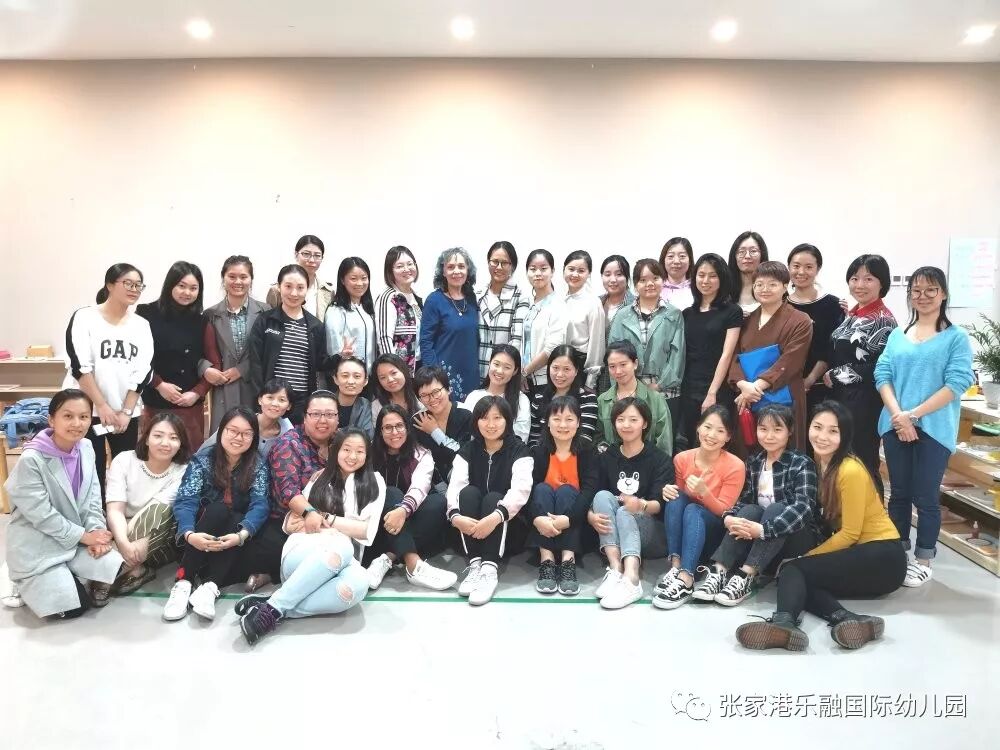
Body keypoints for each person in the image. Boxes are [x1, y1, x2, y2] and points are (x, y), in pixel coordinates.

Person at [736, 402, 906, 652]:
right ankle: (848, 620)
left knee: (795, 569)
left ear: (845, 435)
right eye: (817, 427)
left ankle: (784, 623)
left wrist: (806, 557)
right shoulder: (820, 463)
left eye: (833, 431)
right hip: (862, 554)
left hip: (883, 556)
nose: (822, 436)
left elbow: (851, 533)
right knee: (801, 580)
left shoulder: (850, 470)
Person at [875, 266, 974, 587]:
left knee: (926, 496)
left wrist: (913, 416)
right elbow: (882, 374)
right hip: (895, 425)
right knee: (899, 494)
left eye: (931, 290)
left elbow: (957, 383)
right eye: (916, 290)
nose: (923, 296)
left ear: (943, 294)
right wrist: (899, 416)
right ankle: (898, 555)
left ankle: (923, 560)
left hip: (934, 428)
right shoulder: (897, 336)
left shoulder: (955, 338)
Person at [236, 428, 383, 645]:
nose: (352, 456)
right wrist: (333, 528)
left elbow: (366, 531)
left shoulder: (375, 482)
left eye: (360, 451)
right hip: (302, 558)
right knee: (342, 544)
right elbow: (291, 523)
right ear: (336, 450)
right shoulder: (320, 478)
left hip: (346, 564)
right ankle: (273, 609)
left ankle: (273, 606)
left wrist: (324, 518)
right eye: (346, 449)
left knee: (358, 585)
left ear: (367, 455)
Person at [4, 389, 125, 619]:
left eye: (84, 416)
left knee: (116, 565)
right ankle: (22, 582)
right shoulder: (32, 459)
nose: (77, 423)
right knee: (75, 607)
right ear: (51, 420)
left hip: (75, 539)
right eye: (68, 416)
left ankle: (67, 574)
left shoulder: (86, 447)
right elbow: (42, 515)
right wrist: (85, 537)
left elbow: (93, 497)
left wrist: (97, 532)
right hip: (39, 541)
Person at [691, 404, 819, 607]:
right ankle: (719, 572)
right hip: (759, 542)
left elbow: (804, 509)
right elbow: (745, 500)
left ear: (789, 431)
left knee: (776, 509)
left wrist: (763, 530)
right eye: (763, 429)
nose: (769, 436)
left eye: (777, 429)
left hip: (795, 539)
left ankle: (746, 575)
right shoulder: (754, 462)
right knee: (750, 510)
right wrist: (729, 517)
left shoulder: (801, 463)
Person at [163, 406, 272, 621]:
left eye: (246, 433)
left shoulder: (257, 463)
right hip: (200, 530)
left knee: (238, 517)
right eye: (233, 431)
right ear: (221, 430)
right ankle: (184, 580)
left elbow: (260, 504)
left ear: (254, 437)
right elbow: (186, 500)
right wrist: (189, 534)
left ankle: (210, 586)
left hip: (234, 536)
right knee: (219, 509)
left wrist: (241, 535)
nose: (238, 438)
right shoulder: (203, 459)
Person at [64, 263, 154, 495]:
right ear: (110, 285)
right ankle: (94, 514)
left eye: (139, 285)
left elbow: (143, 371)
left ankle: (117, 513)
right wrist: (101, 406)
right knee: (89, 470)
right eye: (128, 283)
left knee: (124, 470)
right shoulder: (85, 317)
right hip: (87, 411)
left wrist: (126, 411)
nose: (134, 289)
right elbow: (80, 366)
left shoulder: (141, 325)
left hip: (124, 413)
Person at [652, 406, 745, 610]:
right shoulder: (682, 459)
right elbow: (677, 498)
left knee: (694, 509)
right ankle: (676, 567)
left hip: (714, 532)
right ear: (698, 427)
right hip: (687, 533)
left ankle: (686, 579)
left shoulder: (735, 466)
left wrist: (705, 493)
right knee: (676, 497)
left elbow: (724, 511)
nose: (711, 435)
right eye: (707, 427)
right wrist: (666, 491)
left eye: (720, 431)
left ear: (728, 436)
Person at [447, 396, 533, 605]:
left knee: (494, 498)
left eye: (497, 418)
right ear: (476, 421)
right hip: (472, 531)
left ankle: (489, 569)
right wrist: (455, 516)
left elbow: (521, 490)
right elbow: (455, 487)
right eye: (484, 418)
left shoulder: (519, 450)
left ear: (507, 420)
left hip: (508, 529)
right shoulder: (468, 450)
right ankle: (475, 564)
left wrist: (495, 517)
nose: (491, 424)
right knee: (468, 493)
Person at [588, 397, 672, 609]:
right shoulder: (607, 456)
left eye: (633, 419)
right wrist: (590, 517)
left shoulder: (659, 459)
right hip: (616, 531)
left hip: (650, 531)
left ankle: (632, 578)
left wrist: (640, 505)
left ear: (645, 423)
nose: (626, 425)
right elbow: (593, 495)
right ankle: (616, 568)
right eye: (621, 419)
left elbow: (659, 505)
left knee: (625, 512)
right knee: (602, 496)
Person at [363, 405, 458, 591]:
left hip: (409, 520)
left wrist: (402, 510)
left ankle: (387, 558)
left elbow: (419, 488)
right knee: (391, 493)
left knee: (439, 502)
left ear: (407, 428)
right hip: (377, 523)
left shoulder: (421, 454)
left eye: (399, 426)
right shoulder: (368, 453)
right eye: (388, 427)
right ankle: (413, 564)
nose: (394, 432)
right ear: (380, 431)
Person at [824, 254, 897, 485]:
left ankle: (871, 507)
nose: (860, 285)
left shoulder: (884, 320)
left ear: (882, 283)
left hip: (864, 401)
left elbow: (880, 366)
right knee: (842, 462)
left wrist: (835, 375)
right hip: (842, 398)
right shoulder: (855, 313)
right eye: (854, 278)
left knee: (862, 461)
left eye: (868, 279)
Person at [260, 390, 341, 591]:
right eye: (316, 414)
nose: (323, 420)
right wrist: (310, 513)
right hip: (291, 522)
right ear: (304, 417)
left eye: (330, 414)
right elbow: (289, 492)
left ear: (338, 418)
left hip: (333, 515)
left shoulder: (342, 440)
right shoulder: (289, 444)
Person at [729, 261, 813, 450]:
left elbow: (791, 361)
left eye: (772, 284)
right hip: (748, 396)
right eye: (759, 284)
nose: (764, 289)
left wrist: (755, 387)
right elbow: (735, 356)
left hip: (783, 395)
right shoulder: (747, 320)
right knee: (749, 449)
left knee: (783, 450)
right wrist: (742, 385)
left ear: (785, 286)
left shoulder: (800, 320)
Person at [105, 413, 190, 596]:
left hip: (159, 537)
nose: (165, 443)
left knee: (160, 510)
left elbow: (155, 513)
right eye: (158, 435)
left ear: (181, 443)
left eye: (173, 438)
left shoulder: (183, 471)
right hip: (119, 530)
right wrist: (123, 543)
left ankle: (108, 575)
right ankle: (134, 569)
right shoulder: (124, 460)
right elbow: (115, 510)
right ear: (146, 438)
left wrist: (123, 548)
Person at [528, 396, 598, 595]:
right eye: (557, 419)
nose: (563, 425)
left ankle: (568, 561)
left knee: (567, 491)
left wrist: (568, 520)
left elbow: (589, 491)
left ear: (578, 422)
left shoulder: (587, 451)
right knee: (541, 489)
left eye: (569, 419)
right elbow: (527, 492)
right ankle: (547, 560)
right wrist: (537, 519)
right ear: (548, 422)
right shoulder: (538, 452)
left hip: (575, 523)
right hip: (543, 524)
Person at [136, 261, 209, 450]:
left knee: (190, 457)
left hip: (190, 404)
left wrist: (197, 392)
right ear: (170, 285)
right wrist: (159, 384)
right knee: (156, 454)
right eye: (181, 286)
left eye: (193, 288)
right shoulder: (146, 313)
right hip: (156, 401)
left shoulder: (202, 320)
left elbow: (213, 362)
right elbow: (138, 360)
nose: (187, 292)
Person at [608, 258, 685, 432]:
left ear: (663, 280)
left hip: (665, 392)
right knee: (630, 439)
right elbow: (614, 356)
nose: (649, 284)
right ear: (635, 285)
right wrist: (623, 387)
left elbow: (677, 355)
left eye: (655, 278)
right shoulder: (622, 315)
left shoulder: (674, 314)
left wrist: (659, 385)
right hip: (629, 391)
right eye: (643, 280)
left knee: (662, 440)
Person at [249, 264, 329, 424]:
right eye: (288, 286)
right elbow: (255, 362)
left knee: (297, 439)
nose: (294, 293)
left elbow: (321, 362)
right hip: (272, 399)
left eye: (300, 287)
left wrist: (342, 357)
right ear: (279, 287)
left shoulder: (315, 325)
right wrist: (261, 397)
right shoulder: (266, 320)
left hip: (301, 401)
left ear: (307, 289)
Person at [678, 253, 742, 452]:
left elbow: (727, 355)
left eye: (713, 276)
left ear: (722, 279)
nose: (705, 281)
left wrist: (712, 392)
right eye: (701, 275)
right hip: (689, 386)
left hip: (717, 387)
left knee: (714, 439)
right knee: (690, 439)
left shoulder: (732, 311)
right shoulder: (687, 313)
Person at [201, 255, 270, 434]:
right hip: (223, 387)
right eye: (232, 276)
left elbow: (269, 351)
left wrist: (242, 369)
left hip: (254, 385)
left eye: (243, 277)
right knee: (223, 437)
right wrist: (206, 369)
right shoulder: (210, 314)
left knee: (253, 435)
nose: (238, 281)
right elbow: (198, 351)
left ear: (251, 279)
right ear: (223, 279)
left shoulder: (266, 311)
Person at [787, 244, 846, 411]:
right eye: (796, 266)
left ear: (818, 269)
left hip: (820, 387)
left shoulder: (833, 304)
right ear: (789, 267)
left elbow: (830, 349)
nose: (801, 272)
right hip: (783, 386)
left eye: (808, 267)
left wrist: (810, 380)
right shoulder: (780, 303)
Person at [419, 247, 480, 402]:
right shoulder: (434, 300)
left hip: (471, 372)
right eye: (451, 267)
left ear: (468, 270)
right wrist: (434, 377)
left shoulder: (472, 299)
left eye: (461, 266)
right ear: (443, 272)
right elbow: (426, 342)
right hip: (444, 375)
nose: (456, 271)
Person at [597, 340, 673, 455]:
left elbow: (664, 443)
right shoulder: (603, 400)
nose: (618, 371)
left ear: (635, 363)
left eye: (623, 364)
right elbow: (599, 438)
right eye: (612, 366)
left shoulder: (656, 399)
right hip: (613, 462)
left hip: (649, 463)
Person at [201, 378, 294, 460]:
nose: (275, 404)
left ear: (289, 406)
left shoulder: (288, 430)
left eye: (282, 400)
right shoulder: (240, 421)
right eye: (270, 397)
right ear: (260, 400)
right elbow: (205, 450)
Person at [411, 366, 473, 489]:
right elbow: (419, 460)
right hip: (431, 485)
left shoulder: (466, 414)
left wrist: (435, 431)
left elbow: (462, 454)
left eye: (436, 392)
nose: (432, 399)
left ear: (448, 389)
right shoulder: (417, 420)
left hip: (465, 481)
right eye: (424, 395)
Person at [528, 345, 599, 447]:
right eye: (555, 368)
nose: (560, 374)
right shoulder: (539, 398)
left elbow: (585, 439)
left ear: (576, 371)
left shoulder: (588, 399)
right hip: (542, 455)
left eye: (566, 369)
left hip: (576, 455)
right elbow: (533, 439)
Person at [476, 241, 529, 380]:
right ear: (488, 262)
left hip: (502, 374)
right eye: (494, 262)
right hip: (476, 370)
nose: (499, 267)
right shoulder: (478, 295)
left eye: (505, 263)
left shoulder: (520, 297)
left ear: (513, 266)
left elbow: (517, 341)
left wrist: (505, 372)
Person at [462, 344, 531, 443]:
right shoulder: (474, 396)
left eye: (507, 367)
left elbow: (521, 438)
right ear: (489, 363)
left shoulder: (521, 400)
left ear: (515, 371)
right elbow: (466, 434)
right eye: (496, 364)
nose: (500, 371)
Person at [520, 249, 567, 392]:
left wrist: (525, 372)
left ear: (552, 271)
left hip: (545, 380)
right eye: (532, 269)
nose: (538, 273)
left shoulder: (558, 305)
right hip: (523, 380)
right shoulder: (526, 302)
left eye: (543, 268)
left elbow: (552, 348)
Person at [374, 246, 424, 373]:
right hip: (399, 371)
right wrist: (392, 371)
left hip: (418, 367)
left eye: (410, 264)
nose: (406, 269)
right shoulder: (389, 298)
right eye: (400, 266)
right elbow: (384, 338)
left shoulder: (416, 298)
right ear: (390, 271)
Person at [562, 251, 607, 388]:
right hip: (559, 364)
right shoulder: (559, 300)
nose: (575, 274)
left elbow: (597, 344)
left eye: (581, 271)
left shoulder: (593, 303)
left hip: (580, 367)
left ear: (589, 274)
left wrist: (590, 381)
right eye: (571, 269)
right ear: (564, 270)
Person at [325, 257, 377, 375]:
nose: (360, 283)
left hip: (369, 377)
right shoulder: (336, 310)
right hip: (347, 376)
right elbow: (333, 350)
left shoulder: (368, 309)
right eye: (353, 279)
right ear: (342, 280)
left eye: (364, 278)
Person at [266, 234, 334, 321]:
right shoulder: (277, 290)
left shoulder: (328, 291)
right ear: (296, 254)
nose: (312, 260)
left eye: (317, 255)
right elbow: (269, 321)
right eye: (306, 254)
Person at [597, 254, 635, 394]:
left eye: (619, 274)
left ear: (627, 277)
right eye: (607, 274)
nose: (613, 279)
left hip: (623, 373)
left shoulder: (635, 305)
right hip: (597, 374)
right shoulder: (596, 303)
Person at [728, 231, 769, 318]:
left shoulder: (772, 288)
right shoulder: (724, 289)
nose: (747, 256)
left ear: (762, 255)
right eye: (741, 251)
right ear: (734, 256)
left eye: (753, 251)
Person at [371, 353, 421, 422]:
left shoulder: (421, 396)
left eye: (394, 373)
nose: (390, 380)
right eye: (383, 377)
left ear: (403, 370)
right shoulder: (377, 406)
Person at [332, 355, 374, 438]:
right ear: (336, 379)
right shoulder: (323, 403)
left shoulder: (365, 406)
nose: (351, 381)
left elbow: (367, 437)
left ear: (365, 381)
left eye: (357, 376)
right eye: (345, 376)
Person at [659, 237, 694, 311]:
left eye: (682, 256)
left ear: (690, 260)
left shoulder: (698, 288)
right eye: (671, 256)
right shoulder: (655, 288)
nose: (676, 261)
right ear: (663, 260)